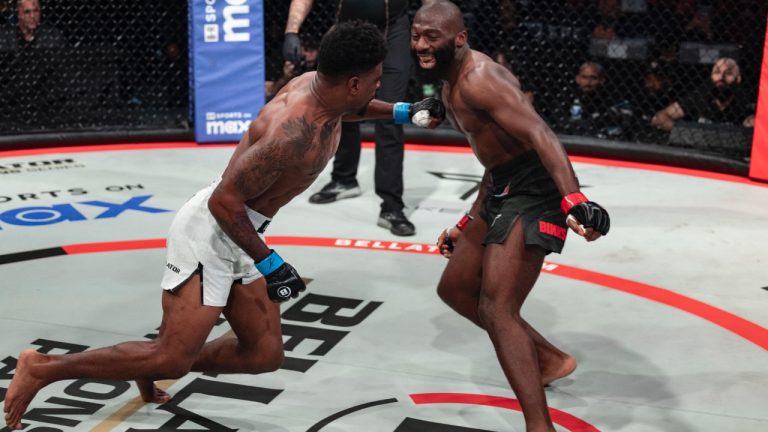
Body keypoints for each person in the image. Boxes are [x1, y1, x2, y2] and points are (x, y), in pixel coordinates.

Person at [3, 21, 446, 430]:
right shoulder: (288, 133)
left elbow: (349, 108)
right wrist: (270, 263)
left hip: (244, 229)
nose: (376, 86)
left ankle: (145, 362)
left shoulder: (322, 92)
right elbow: (224, 203)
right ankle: (42, 367)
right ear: (353, 81)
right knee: (173, 357)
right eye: (373, 80)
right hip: (213, 232)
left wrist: (405, 112)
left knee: (263, 354)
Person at [411, 2, 610, 431]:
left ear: (459, 38)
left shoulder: (481, 79)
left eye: (432, 37)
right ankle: (550, 359)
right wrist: (467, 221)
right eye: (416, 35)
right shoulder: (446, 82)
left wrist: (573, 198)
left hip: (535, 192)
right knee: (457, 289)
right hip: (499, 187)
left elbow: (540, 133)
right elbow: (495, 158)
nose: (421, 45)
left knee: (497, 307)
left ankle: (540, 427)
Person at [283, 0, 436, 236]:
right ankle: (344, 179)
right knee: (341, 104)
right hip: (347, 31)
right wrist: (292, 31)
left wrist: (428, 34)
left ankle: (392, 205)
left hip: (392, 35)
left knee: (390, 115)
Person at [651, 57, 755, 131]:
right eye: (717, 72)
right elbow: (660, 117)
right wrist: (683, 132)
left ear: (738, 79)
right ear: (711, 76)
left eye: (728, 73)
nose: (721, 77)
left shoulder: (745, 100)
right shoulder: (700, 95)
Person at [0, 0, 66, 50]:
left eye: (36, 11)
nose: (32, 16)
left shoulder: (54, 35)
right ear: (18, 14)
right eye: (27, 12)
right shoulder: (3, 37)